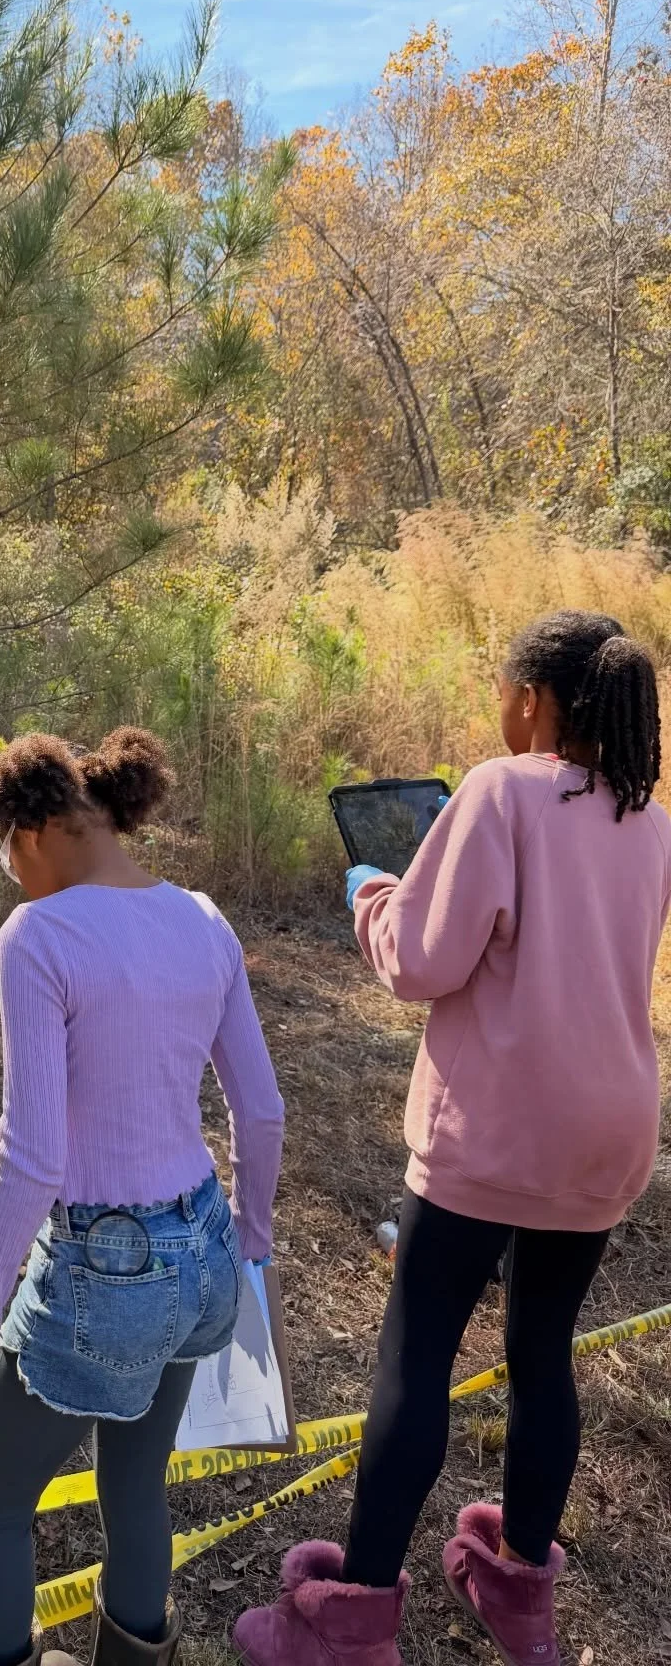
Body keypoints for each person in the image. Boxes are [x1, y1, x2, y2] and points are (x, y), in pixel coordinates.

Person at [235, 610, 671, 1666]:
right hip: (609, 1129)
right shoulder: (649, 813)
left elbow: (421, 961)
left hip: (496, 1131)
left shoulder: (498, 789)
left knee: (417, 1355)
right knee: (543, 1355)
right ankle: (520, 1592)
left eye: (502, 691)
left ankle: (350, 1620)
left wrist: (374, 896)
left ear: (534, 701)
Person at [0, 728, 284, 1666]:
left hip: (106, 1266)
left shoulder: (39, 936)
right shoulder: (205, 919)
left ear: (43, 828)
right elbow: (260, 1110)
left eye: (6, 847)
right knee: (136, 1483)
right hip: (204, 1249)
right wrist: (250, 1245)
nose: (8, 871)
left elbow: (33, 1154)